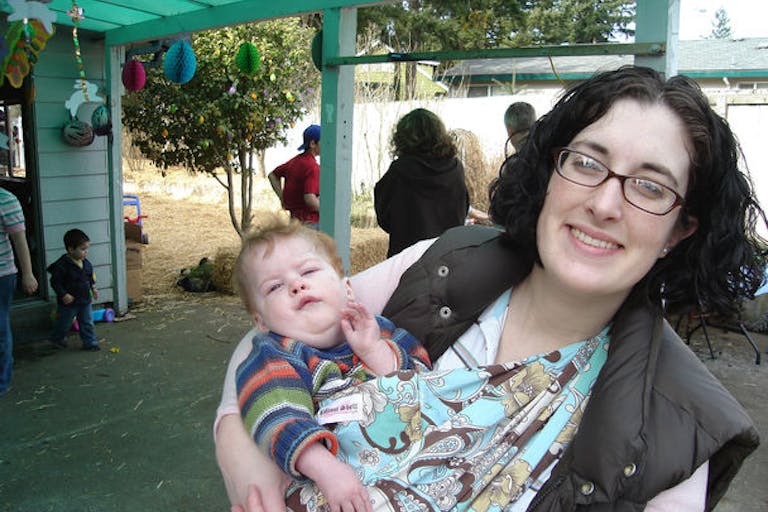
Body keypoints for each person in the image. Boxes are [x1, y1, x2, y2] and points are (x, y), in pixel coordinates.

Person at [215, 66, 763, 511]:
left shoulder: (680, 425)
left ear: (681, 229)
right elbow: (261, 344)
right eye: (586, 163)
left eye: (649, 186)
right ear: (551, 173)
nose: (604, 204)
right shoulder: (443, 261)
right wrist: (257, 479)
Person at [233, 216, 431, 512]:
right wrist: (326, 469)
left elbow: (425, 381)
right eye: (274, 287)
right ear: (261, 321)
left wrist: (374, 350)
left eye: (309, 271)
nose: (296, 285)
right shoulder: (275, 353)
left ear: (347, 288)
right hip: (336, 482)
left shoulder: (378, 329)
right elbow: (276, 412)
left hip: (417, 466)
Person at [374, 108, 470, 257]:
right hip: (446, 259)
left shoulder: (399, 171)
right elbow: (462, 210)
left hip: (407, 260)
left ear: (403, 138)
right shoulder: (456, 169)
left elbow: (384, 218)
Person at [0, 187, 38, 396]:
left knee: (0, 326)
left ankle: (2, 380)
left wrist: (28, 274)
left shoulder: (6, 199)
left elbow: (20, 241)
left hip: (2, 275)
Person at [48, 228, 101, 351]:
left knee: (87, 322)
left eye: (87, 249)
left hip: (84, 300)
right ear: (71, 249)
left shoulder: (86, 263)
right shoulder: (61, 265)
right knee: (64, 323)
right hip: (69, 303)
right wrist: (63, 294)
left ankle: (90, 342)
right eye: (82, 249)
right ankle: (57, 339)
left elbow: (90, 277)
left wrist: (93, 288)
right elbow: (55, 282)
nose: (86, 252)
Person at [268, 125, 321, 229]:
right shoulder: (313, 167)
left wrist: (282, 197)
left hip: (294, 223)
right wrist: (328, 212)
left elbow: (272, 175)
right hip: (310, 224)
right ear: (312, 144)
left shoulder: (294, 162)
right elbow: (310, 199)